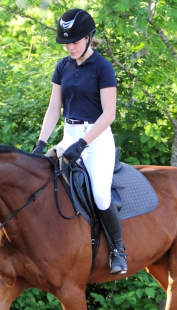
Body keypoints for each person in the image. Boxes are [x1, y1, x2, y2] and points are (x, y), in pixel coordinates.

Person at [33, 8, 127, 275]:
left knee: (99, 193)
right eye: (66, 43)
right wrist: (41, 142)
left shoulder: (102, 67)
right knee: (40, 180)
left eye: (74, 42)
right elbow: (54, 109)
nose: (70, 47)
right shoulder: (62, 66)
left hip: (96, 139)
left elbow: (109, 114)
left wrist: (83, 143)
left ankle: (118, 250)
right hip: (69, 135)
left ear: (88, 38)